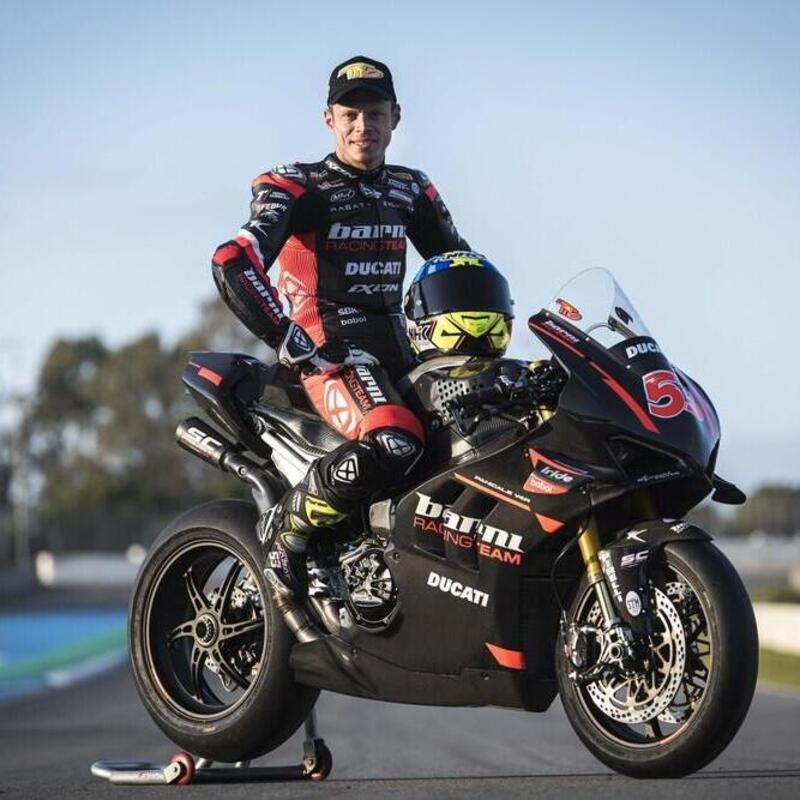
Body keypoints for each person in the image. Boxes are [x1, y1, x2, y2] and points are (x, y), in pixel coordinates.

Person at [211, 56, 469, 598]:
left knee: (483, 432)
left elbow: (462, 267)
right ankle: (287, 532)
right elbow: (232, 260)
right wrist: (284, 335)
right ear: (329, 119)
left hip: (401, 351)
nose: (362, 125)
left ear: (396, 117)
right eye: (350, 114)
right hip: (329, 356)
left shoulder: (411, 189)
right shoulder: (299, 185)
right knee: (396, 440)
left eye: (374, 112)